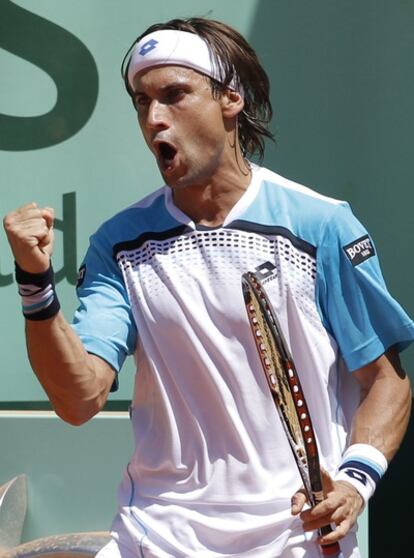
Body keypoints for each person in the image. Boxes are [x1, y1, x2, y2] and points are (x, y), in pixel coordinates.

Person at [3, 17, 413, 558]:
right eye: (142, 102)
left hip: (295, 535)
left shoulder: (321, 227)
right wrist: (35, 285)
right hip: (157, 531)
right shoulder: (118, 243)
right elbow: (80, 398)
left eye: (174, 96)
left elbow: (387, 382)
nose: (154, 119)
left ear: (230, 99)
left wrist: (355, 483)